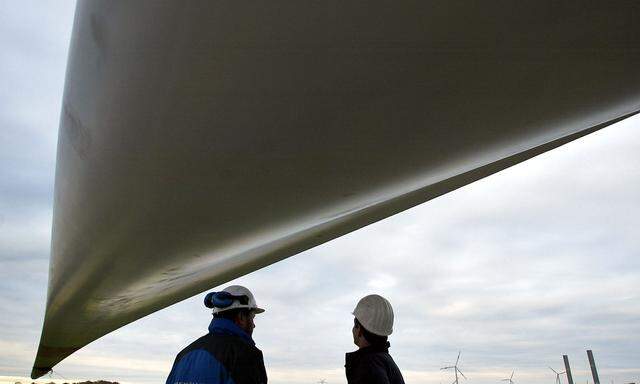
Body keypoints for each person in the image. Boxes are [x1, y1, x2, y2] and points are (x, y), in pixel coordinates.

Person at [166, 285, 268, 384]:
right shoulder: (245, 354)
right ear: (241, 317)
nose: (254, 325)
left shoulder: (183, 356)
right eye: (252, 318)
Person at [345, 294, 405, 384]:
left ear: (360, 329)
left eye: (355, 325)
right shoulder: (384, 360)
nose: (353, 330)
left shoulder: (368, 367)